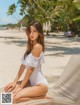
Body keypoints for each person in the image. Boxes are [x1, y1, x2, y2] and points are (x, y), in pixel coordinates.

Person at [4, 20, 49, 103]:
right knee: (8, 90)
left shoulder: (38, 47)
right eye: (30, 31)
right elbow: (23, 65)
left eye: (34, 31)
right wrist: (14, 82)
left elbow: (30, 69)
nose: (31, 34)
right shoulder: (30, 47)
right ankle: (4, 104)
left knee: (16, 98)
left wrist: (21, 87)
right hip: (31, 82)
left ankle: (43, 97)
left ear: (39, 33)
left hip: (40, 85)